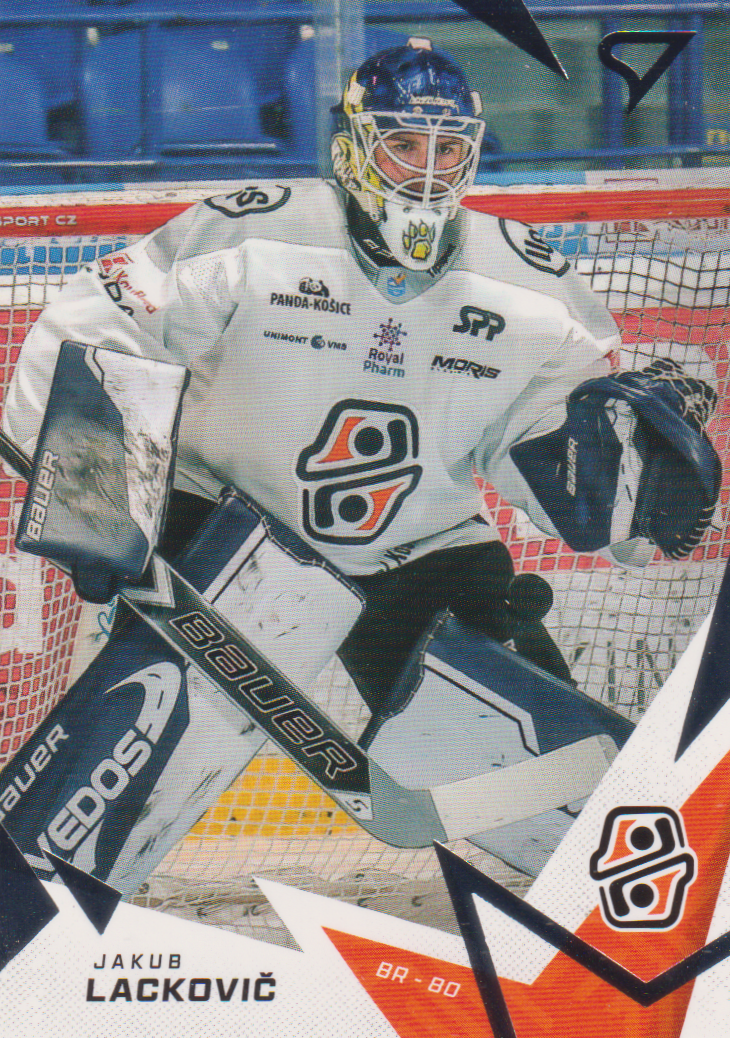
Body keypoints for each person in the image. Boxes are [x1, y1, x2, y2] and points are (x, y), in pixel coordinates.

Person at [0, 40, 720, 884]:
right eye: (404, 144)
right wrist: (97, 501)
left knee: (547, 767)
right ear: (353, 146)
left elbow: (542, 447)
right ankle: (38, 905)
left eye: (448, 148)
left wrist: (618, 495)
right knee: (123, 762)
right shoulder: (253, 229)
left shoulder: (531, 282)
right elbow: (97, 327)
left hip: (417, 548)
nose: (428, 168)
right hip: (224, 529)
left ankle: (634, 898)